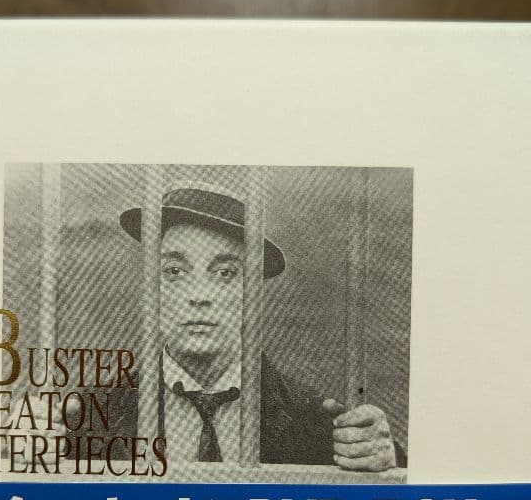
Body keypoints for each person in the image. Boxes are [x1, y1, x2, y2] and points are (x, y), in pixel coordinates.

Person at [107, 185, 402, 471]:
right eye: (174, 271)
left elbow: (387, 486)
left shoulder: (318, 421)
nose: (198, 295)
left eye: (225, 273)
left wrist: (389, 462)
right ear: (151, 285)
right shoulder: (98, 415)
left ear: (254, 292)